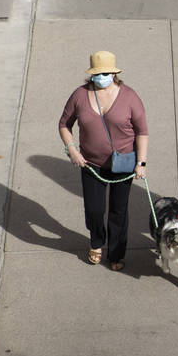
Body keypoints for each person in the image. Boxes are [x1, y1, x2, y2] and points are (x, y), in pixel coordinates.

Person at [58, 51, 148, 271]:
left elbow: (142, 131)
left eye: (106, 73)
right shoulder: (79, 95)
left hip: (123, 163)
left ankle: (116, 253)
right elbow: (64, 125)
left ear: (114, 73)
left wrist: (141, 163)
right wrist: (72, 150)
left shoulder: (130, 97)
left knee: (119, 211)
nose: (102, 77)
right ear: (91, 75)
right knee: (95, 209)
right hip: (91, 164)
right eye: (97, 74)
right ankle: (97, 241)